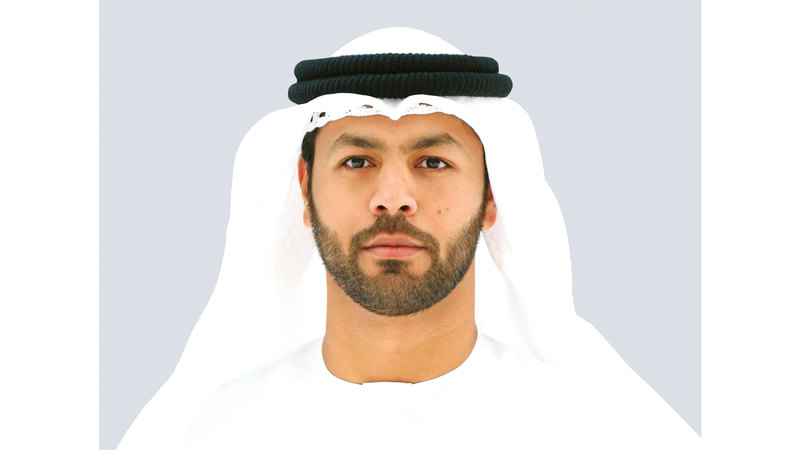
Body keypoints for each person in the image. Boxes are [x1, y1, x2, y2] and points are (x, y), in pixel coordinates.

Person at [119, 28, 700, 449]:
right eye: (356, 161)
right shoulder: (210, 434)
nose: (393, 198)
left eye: (432, 162)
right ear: (304, 190)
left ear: (491, 195)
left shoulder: (588, 433)